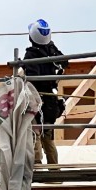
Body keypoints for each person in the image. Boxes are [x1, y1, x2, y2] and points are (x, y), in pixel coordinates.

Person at [23, 19, 68, 165]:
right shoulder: (51, 51)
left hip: (37, 99)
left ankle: (37, 168)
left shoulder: (31, 55)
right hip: (51, 101)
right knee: (48, 136)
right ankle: (54, 171)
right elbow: (65, 62)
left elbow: (32, 78)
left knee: (35, 133)